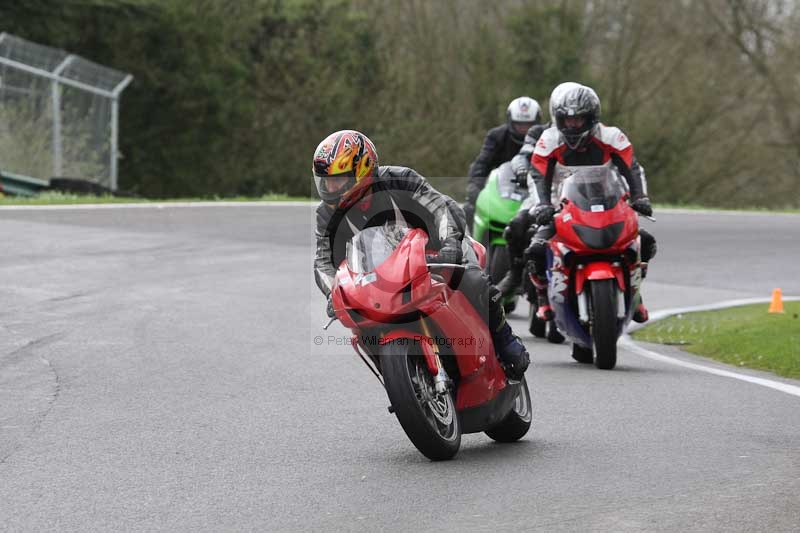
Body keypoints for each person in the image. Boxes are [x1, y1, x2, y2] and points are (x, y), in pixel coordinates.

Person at [313, 129, 530, 379]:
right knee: (361, 325)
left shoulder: (401, 179)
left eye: (338, 180)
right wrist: (333, 291)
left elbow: (440, 209)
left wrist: (450, 244)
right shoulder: (326, 214)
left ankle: (505, 340)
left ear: (361, 170)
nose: (330, 187)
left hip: (437, 247)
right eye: (326, 181)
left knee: (473, 280)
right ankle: (404, 377)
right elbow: (323, 260)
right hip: (382, 272)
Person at [520, 83, 656, 323]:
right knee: (536, 249)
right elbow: (538, 174)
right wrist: (542, 204)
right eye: (567, 120)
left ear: (591, 118)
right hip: (560, 204)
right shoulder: (548, 139)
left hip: (607, 201)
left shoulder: (612, 136)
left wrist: (640, 198)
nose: (572, 125)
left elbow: (632, 169)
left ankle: (636, 296)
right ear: (558, 118)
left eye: (579, 120)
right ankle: (542, 296)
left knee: (643, 241)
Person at [496, 83, 583, 298]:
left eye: (579, 114)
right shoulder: (538, 132)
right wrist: (522, 168)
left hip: (582, 195)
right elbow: (523, 155)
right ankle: (516, 274)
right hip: (546, 192)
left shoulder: (594, 135)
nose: (573, 120)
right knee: (516, 226)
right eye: (568, 113)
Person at [463, 96, 542, 233]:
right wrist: (474, 185)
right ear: (511, 121)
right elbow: (482, 163)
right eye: (519, 125)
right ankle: (469, 245)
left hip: (534, 189)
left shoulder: (545, 136)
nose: (524, 129)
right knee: (469, 207)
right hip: (501, 189)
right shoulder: (496, 136)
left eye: (528, 125)